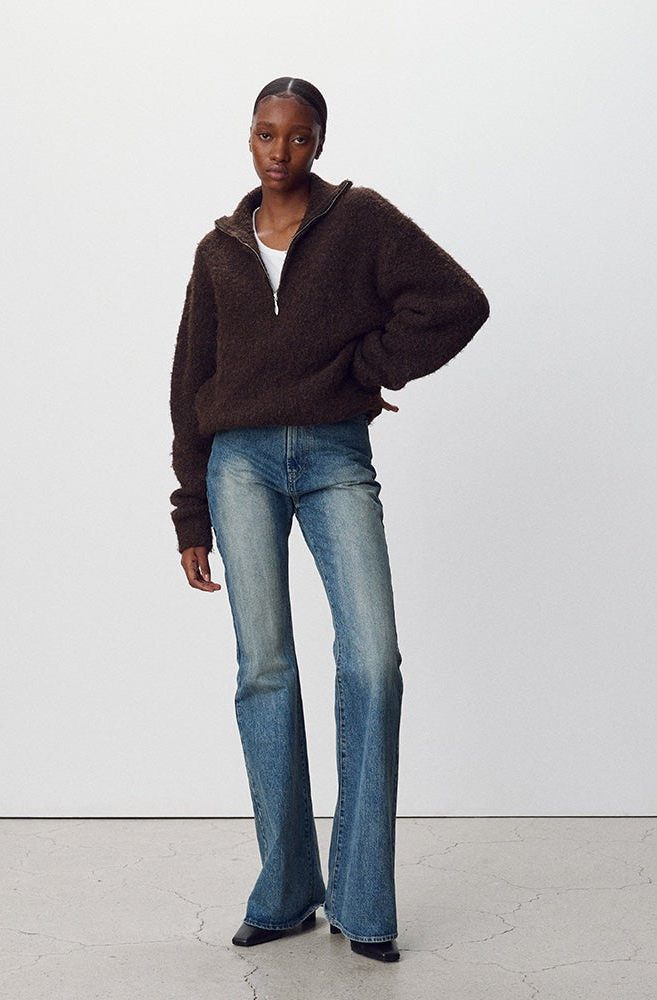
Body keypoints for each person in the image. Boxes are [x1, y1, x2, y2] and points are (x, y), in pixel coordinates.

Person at [169, 76, 490, 963]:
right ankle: (283, 893)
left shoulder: (361, 221)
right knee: (265, 669)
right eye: (266, 134)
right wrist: (190, 511)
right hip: (239, 464)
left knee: (373, 663)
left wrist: (368, 366)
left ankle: (362, 900)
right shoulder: (218, 250)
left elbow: (458, 301)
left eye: (299, 136)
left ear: (320, 141)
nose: (281, 151)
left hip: (335, 455)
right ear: (249, 138)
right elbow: (189, 382)